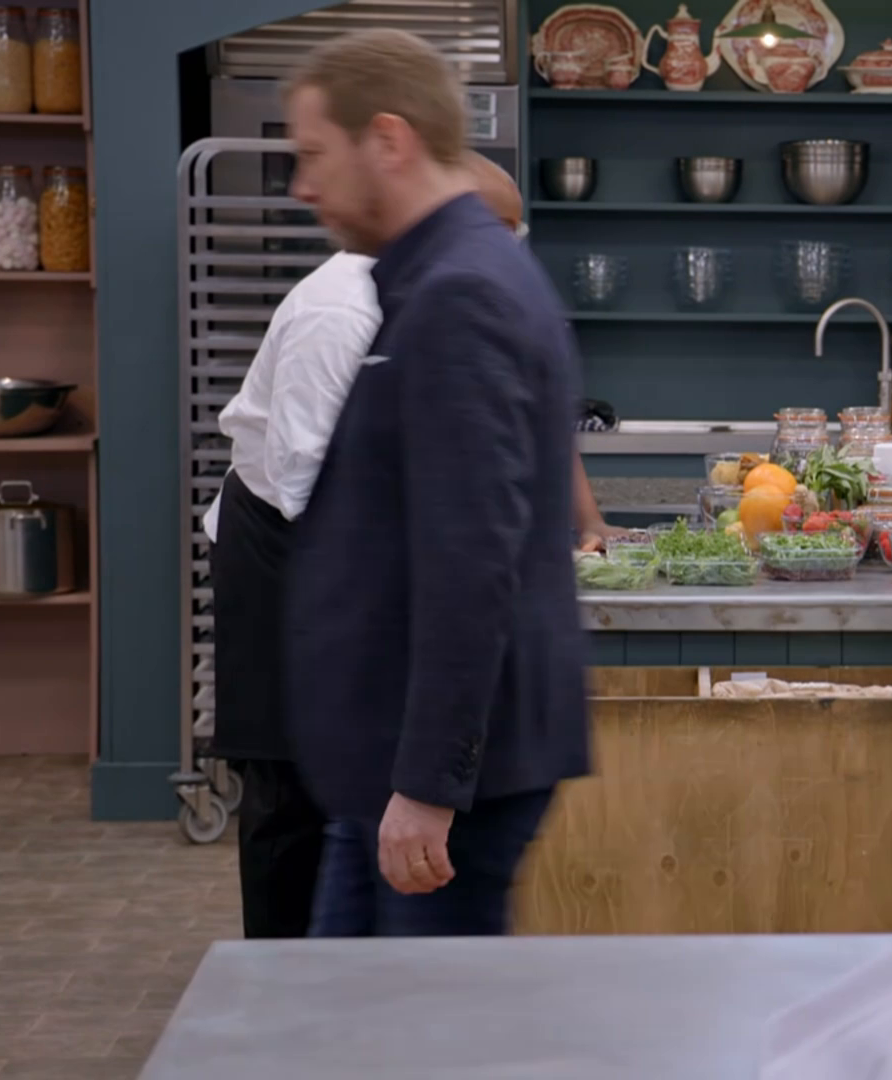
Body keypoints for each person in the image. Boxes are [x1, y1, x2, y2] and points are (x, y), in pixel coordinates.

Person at [203, 148, 614, 939]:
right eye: (498, 232)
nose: (304, 186)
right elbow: (300, 483)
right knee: (288, 802)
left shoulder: (462, 294)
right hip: (280, 553)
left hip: (361, 583)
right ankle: (286, 978)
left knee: (369, 851)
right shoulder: (342, 313)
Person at [280, 28, 589, 936]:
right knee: (354, 1007)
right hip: (397, 765)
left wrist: (429, 786)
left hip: (441, 784)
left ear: (387, 139)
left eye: (312, 155)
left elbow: (472, 566)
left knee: (423, 1016)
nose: (302, 187)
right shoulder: (445, 277)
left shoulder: (461, 295)